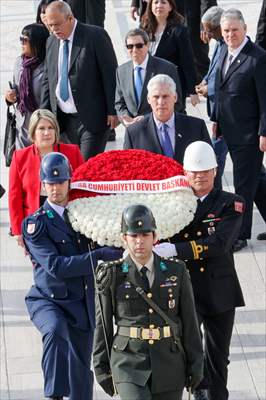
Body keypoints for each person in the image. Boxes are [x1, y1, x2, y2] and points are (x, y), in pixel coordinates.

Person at [22, 152, 121, 400]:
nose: (56, 188)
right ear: (43, 185)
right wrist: (100, 257)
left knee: (80, 369)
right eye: (51, 183)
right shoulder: (36, 224)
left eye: (61, 182)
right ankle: (54, 394)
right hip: (49, 300)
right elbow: (56, 265)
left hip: (82, 302)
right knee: (54, 331)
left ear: (69, 181)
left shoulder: (85, 214)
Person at [155, 141, 245, 400]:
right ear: (185, 173)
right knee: (190, 354)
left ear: (216, 171)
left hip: (219, 289)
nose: (199, 176)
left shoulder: (231, 203)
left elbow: (219, 244)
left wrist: (176, 250)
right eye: (194, 172)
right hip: (187, 289)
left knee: (218, 357)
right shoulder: (173, 204)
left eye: (205, 171)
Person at [93, 203, 203, 400]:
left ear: (155, 237)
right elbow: (103, 325)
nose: (139, 241)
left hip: (169, 361)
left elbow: (189, 321)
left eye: (145, 235)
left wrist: (196, 363)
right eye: (133, 235)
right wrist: (101, 367)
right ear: (123, 239)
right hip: (128, 362)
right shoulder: (112, 274)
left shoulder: (176, 271)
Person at [211, 8, 266, 250]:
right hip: (228, 129)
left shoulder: (258, 57)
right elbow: (220, 87)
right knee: (258, 180)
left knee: (243, 186)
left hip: (250, 134)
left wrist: (264, 132)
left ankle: (241, 234)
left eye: (235, 30)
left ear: (245, 29)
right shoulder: (223, 49)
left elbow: (265, 99)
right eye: (226, 31)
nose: (230, 34)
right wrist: (216, 119)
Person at [40, 1, 118, 160]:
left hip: (91, 119)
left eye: (57, 24)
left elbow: (110, 74)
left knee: (85, 170)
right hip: (63, 120)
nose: (54, 29)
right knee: (69, 169)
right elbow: (49, 81)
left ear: (70, 18)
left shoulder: (95, 36)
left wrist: (113, 110)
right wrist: (43, 114)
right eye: (50, 25)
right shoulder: (51, 42)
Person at [8, 109, 84, 247]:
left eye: (51, 128)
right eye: (41, 128)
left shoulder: (72, 152)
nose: (47, 133)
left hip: (67, 217)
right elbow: (15, 197)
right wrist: (18, 230)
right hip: (35, 219)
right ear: (33, 133)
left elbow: (83, 187)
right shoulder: (19, 157)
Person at [124, 74, 211, 164]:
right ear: (148, 99)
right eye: (156, 97)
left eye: (165, 96)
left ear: (175, 97)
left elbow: (210, 165)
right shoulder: (134, 133)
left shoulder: (196, 128)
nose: (161, 102)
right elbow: (127, 170)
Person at [115, 28, 183, 128]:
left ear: (148, 45)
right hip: (132, 130)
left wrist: (147, 118)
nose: (134, 50)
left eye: (139, 46)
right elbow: (119, 103)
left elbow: (177, 103)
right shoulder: (121, 71)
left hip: (158, 128)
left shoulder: (167, 68)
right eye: (130, 46)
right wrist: (125, 118)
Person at [141, 0, 199, 108]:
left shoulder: (178, 31)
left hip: (171, 85)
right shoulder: (144, 28)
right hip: (149, 86)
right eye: (156, 2)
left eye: (163, 2)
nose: (159, 5)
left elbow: (187, 61)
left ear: (170, 7)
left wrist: (192, 91)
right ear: (150, 6)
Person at [195, 6, 227, 189]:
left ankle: (216, 199)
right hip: (218, 115)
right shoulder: (218, 45)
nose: (206, 33)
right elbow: (213, 69)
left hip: (228, 118)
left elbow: (230, 80)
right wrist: (204, 82)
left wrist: (211, 89)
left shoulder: (228, 46)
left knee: (215, 164)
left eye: (208, 29)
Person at [5, 23, 49, 149]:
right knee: (24, 164)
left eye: (25, 40)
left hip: (44, 127)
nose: (21, 43)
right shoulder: (19, 62)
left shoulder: (48, 65)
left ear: (37, 43)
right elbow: (15, 89)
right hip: (22, 127)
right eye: (21, 39)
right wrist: (9, 98)